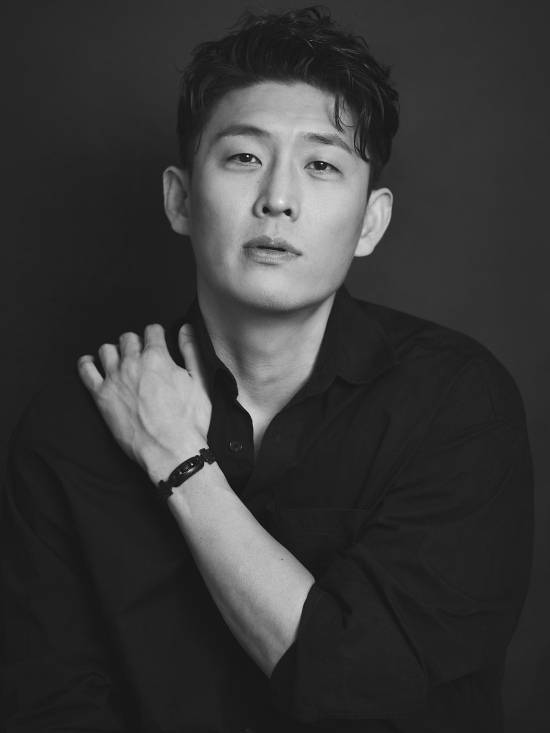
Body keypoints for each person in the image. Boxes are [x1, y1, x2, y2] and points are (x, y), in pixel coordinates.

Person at [1, 7, 533, 733]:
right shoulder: (71, 427)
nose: (278, 198)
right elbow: (51, 705)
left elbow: (364, 690)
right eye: (244, 157)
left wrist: (178, 460)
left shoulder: (458, 405)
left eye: (322, 165)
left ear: (370, 222)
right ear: (180, 199)